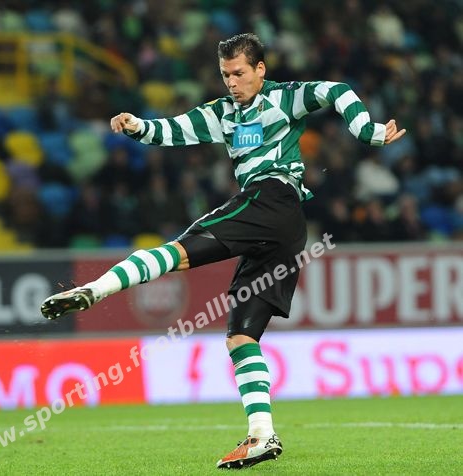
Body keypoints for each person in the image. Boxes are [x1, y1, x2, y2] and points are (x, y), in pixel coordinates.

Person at [40, 33, 406, 469]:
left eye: (238, 73)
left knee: (177, 252)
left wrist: (367, 130)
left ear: (260, 70)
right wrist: (138, 126)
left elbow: (336, 90)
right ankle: (262, 436)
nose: (231, 82)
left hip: (272, 198)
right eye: (225, 75)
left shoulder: (285, 98)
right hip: (283, 231)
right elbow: (173, 130)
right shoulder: (221, 113)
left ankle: (95, 290)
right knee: (240, 337)